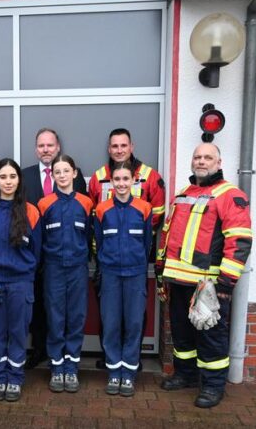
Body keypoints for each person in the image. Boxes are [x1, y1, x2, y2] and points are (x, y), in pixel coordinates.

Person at [156, 143, 252, 409]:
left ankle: (212, 386)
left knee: (210, 336)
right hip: (178, 279)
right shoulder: (183, 193)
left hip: (208, 284)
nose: (201, 161)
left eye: (208, 157)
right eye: (197, 156)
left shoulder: (230, 195)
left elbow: (239, 241)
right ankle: (185, 375)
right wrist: (162, 270)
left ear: (219, 162)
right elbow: (168, 234)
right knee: (182, 334)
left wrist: (226, 282)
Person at [88, 128, 165, 370]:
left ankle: (132, 360)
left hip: (135, 258)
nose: (119, 150)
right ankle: (111, 359)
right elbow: (93, 214)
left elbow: (157, 214)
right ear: (109, 149)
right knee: (108, 313)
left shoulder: (151, 175)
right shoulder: (98, 176)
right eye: (114, 146)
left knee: (134, 315)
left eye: (124, 145)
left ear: (131, 147)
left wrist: (131, 237)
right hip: (107, 258)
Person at [0, 158, 42, 402]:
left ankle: (15, 378)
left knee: (18, 331)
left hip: (21, 282)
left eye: (12, 176)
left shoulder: (31, 211)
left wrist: (24, 275)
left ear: (19, 180)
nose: (8, 181)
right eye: (3, 177)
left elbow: (36, 251)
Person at [21, 128, 87, 369]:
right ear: (36, 149)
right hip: (35, 255)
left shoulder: (74, 177)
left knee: (64, 310)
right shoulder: (24, 175)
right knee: (39, 306)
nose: (46, 149)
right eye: (41, 145)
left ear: (58, 146)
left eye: (50, 145)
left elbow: (84, 216)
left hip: (65, 258)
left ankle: (64, 359)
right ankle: (40, 350)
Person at [94, 161, 152, 397]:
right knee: (111, 324)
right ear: (111, 182)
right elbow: (98, 241)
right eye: (116, 179)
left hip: (136, 274)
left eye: (125, 179)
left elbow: (147, 242)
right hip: (110, 274)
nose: (121, 184)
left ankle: (128, 374)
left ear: (133, 181)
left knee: (134, 324)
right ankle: (114, 372)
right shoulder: (101, 209)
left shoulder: (144, 208)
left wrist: (138, 262)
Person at [37, 155, 93, 394]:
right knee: (56, 318)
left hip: (78, 269)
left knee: (76, 318)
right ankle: (57, 367)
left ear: (75, 173)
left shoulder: (86, 203)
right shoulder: (44, 204)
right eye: (57, 172)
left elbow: (91, 237)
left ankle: (72, 368)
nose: (61, 175)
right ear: (53, 175)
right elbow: (39, 240)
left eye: (65, 171)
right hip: (53, 269)